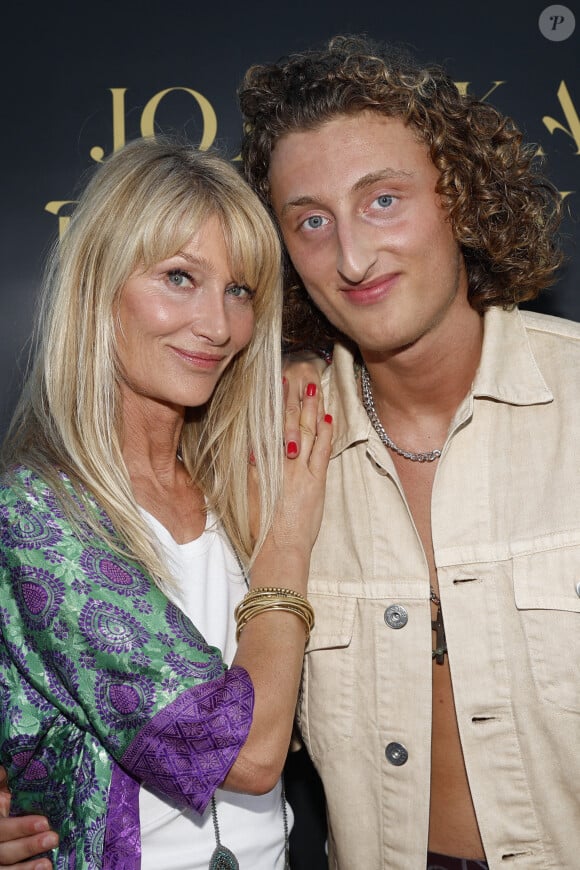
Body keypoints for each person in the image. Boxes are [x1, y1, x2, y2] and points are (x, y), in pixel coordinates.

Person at [235, 34, 579, 870]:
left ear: (460, 198)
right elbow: (188, 723)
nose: (351, 258)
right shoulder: (267, 460)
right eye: (311, 221)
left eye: (382, 200)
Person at [0, 135, 331, 870]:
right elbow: (244, 754)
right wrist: (286, 546)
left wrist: (306, 361)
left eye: (239, 290)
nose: (218, 326)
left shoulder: (235, 481)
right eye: (179, 277)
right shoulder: (39, 518)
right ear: (99, 286)